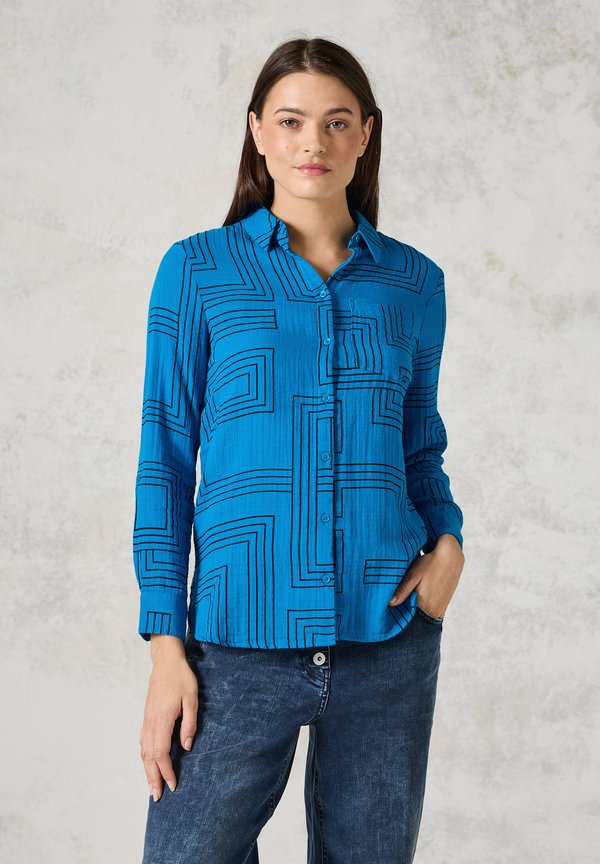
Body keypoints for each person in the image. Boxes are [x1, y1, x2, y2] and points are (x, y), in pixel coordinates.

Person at [133, 36, 465, 864]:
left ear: (365, 134)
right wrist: (166, 645)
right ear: (257, 130)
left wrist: (450, 543)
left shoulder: (415, 284)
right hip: (237, 643)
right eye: (290, 121)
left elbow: (418, 443)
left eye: (336, 121)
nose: (313, 141)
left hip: (388, 635)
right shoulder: (197, 272)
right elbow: (165, 458)